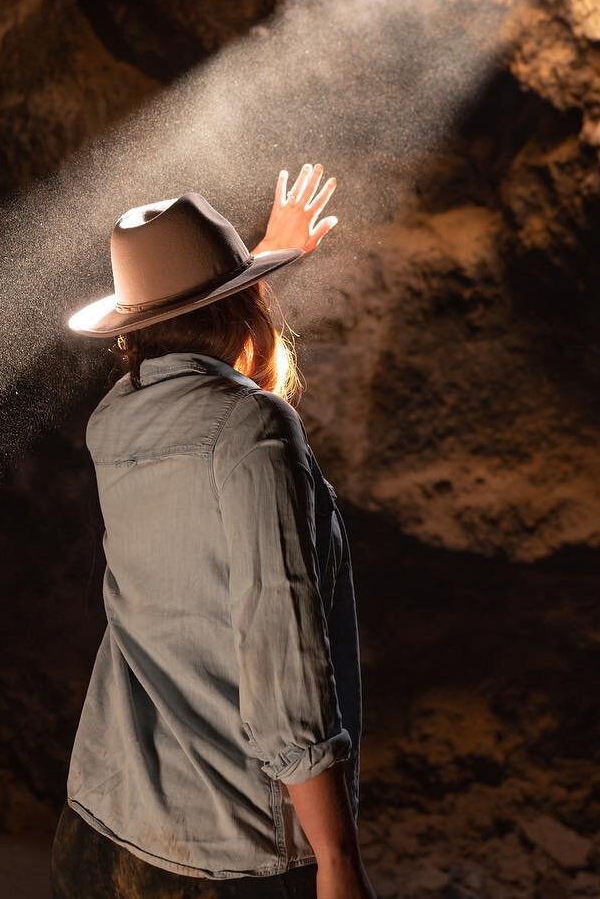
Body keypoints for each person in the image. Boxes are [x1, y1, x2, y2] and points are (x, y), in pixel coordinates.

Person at [53, 164, 375, 899]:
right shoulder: (255, 429)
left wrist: (252, 265)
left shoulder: (114, 420)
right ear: (244, 305)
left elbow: (192, 362)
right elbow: (280, 646)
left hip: (99, 834)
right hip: (229, 858)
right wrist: (336, 857)